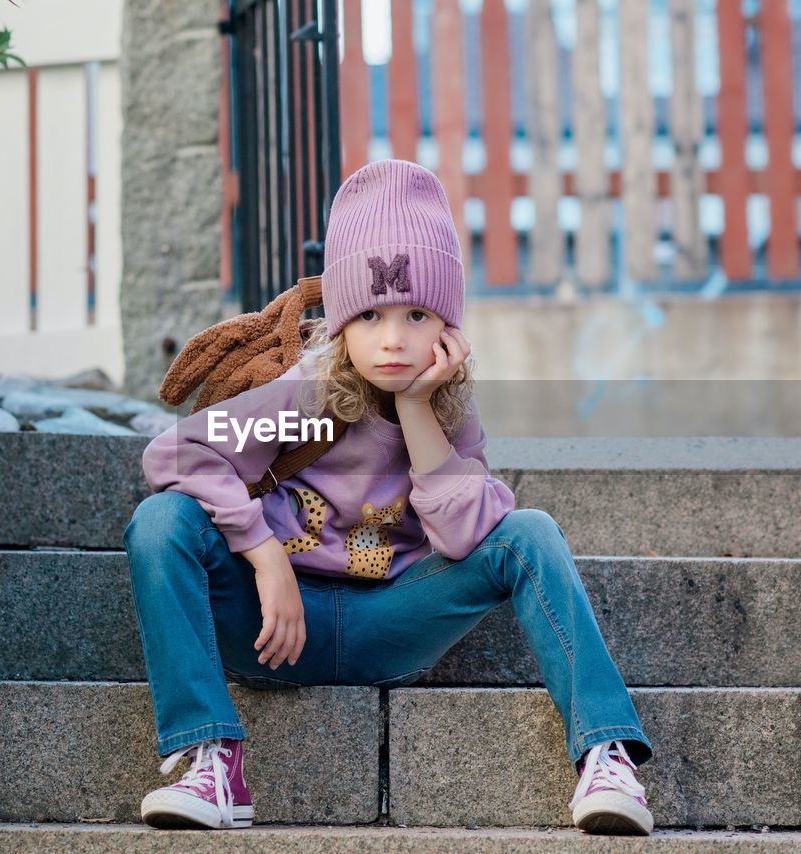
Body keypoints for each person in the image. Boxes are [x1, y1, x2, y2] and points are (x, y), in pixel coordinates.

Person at [125, 158, 654, 834]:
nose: (394, 338)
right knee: (161, 520)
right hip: (277, 623)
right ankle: (211, 759)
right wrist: (264, 554)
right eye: (370, 314)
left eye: (417, 313)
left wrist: (416, 409)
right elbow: (175, 452)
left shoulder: (450, 413)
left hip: (394, 622)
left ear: (449, 328)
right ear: (342, 321)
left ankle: (606, 757)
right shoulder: (305, 397)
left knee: (532, 530)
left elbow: (466, 537)